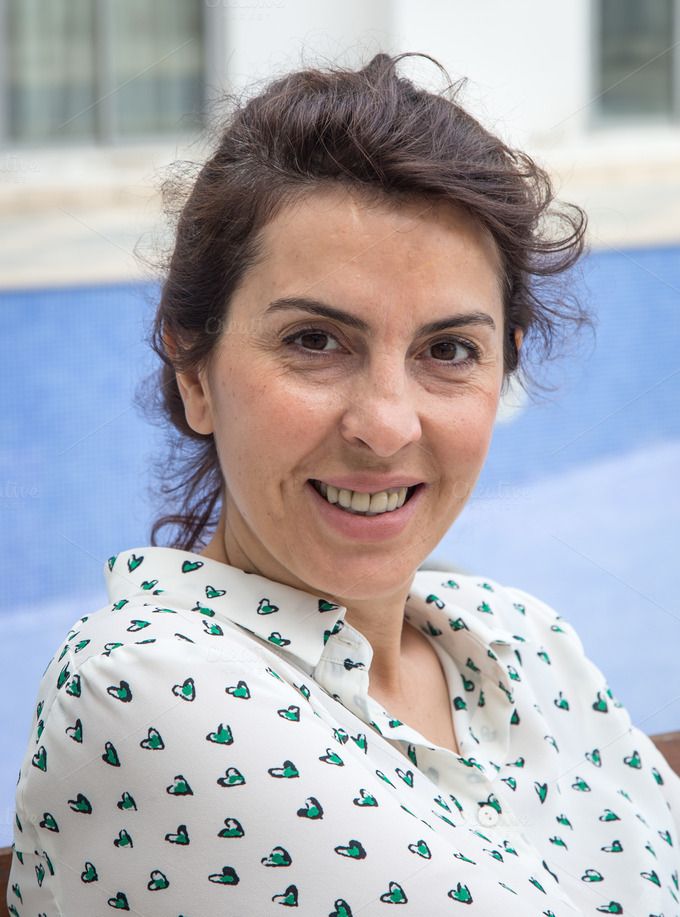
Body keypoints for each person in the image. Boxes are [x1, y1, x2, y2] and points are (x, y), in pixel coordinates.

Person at [7, 52, 680, 917]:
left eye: (448, 351)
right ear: (194, 371)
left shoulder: (523, 643)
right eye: (316, 341)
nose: (387, 424)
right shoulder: (149, 689)